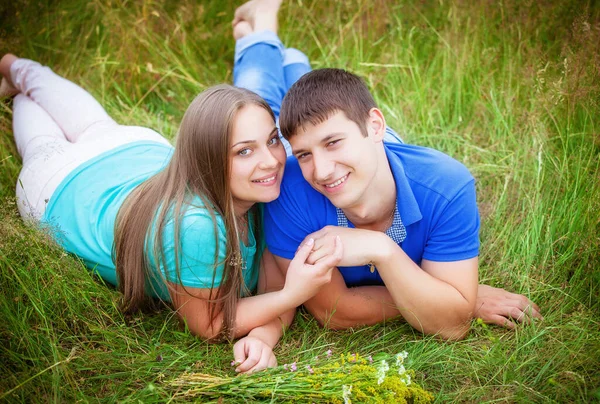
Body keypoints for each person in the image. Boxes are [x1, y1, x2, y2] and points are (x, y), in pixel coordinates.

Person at [0, 0, 344, 374]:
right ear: (207, 156)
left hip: (135, 154)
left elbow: (270, 295)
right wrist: (292, 294)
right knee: (42, 143)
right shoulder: (197, 227)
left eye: (272, 140)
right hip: (61, 187)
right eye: (244, 151)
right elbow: (212, 324)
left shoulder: (265, 189)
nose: (271, 161)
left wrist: (266, 332)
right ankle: (13, 70)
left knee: (94, 125)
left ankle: (17, 75)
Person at [261, 56, 543, 339]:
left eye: (333, 143)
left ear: (375, 126)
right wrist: (440, 296)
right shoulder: (287, 188)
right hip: (324, 156)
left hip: (385, 156)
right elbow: (333, 311)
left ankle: (282, 51)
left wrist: (381, 249)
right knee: (260, 109)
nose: (321, 172)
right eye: (305, 155)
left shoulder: (447, 186)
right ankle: (274, 51)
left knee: (316, 113)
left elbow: (452, 326)